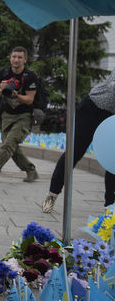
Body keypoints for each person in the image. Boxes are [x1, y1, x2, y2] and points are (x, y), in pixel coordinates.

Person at [41, 71, 115, 212]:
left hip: (111, 116)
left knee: (113, 160)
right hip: (92, 108)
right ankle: (52, 194)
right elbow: (113, 86)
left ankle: (110, 207)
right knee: (75, 152)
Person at [0, 47, 39, 183]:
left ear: (25, 60)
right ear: (10, 58)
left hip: (24, 116)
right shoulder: (4, 73)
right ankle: (31, 170)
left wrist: (16, 95)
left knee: (9, 144)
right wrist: (1, 89)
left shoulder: (30, 76)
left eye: (20, 57)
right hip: (7, 115)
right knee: (10, 147)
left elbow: (30, 99)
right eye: (14, 57)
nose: (16, 60)